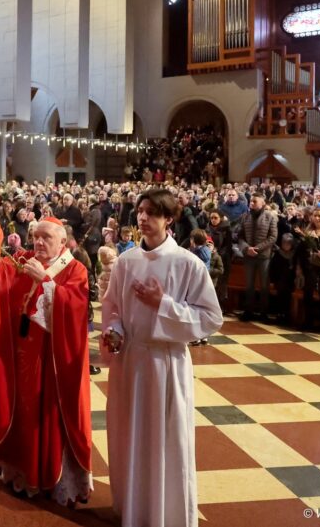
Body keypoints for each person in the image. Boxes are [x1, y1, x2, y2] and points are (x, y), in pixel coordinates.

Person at [100, 189, 223, 527]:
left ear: (169, 219)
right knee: (129, 436)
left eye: (152, 213)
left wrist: (163, 305)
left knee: (164, 440)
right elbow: (113, 307)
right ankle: (134, 510)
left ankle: (165, 515)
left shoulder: (187, 263)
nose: (143, 218)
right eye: (140, 211)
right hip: (129, 361)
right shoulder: (126, 261)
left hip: (164, 363)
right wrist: (114, 330)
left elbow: (211, 318)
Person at [0, 217, 93, 505]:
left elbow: (76, 311)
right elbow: (0, 275)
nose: (38, 242)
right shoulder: (25, 259)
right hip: (20, 356)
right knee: (20, 413)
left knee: (45, 418)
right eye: (35, 236)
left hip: (51, 362)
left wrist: (46, 281)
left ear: (62, 241)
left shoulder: (75, 269)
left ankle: (49, 476)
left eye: (46, 238)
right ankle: (21, 472)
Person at [238, 193, 278, 321]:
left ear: (262, 203)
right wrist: (246, 248)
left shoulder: (270, 217)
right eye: (251, 201)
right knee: (249, 285)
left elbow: (273, 237)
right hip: (248, 255)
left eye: (255, 201)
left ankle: (263, 313)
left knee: (264, 286)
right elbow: (240, 236)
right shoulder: (245, 216)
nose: (251, 203)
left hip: (264, 256)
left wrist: (257, 248)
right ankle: (248, 311)